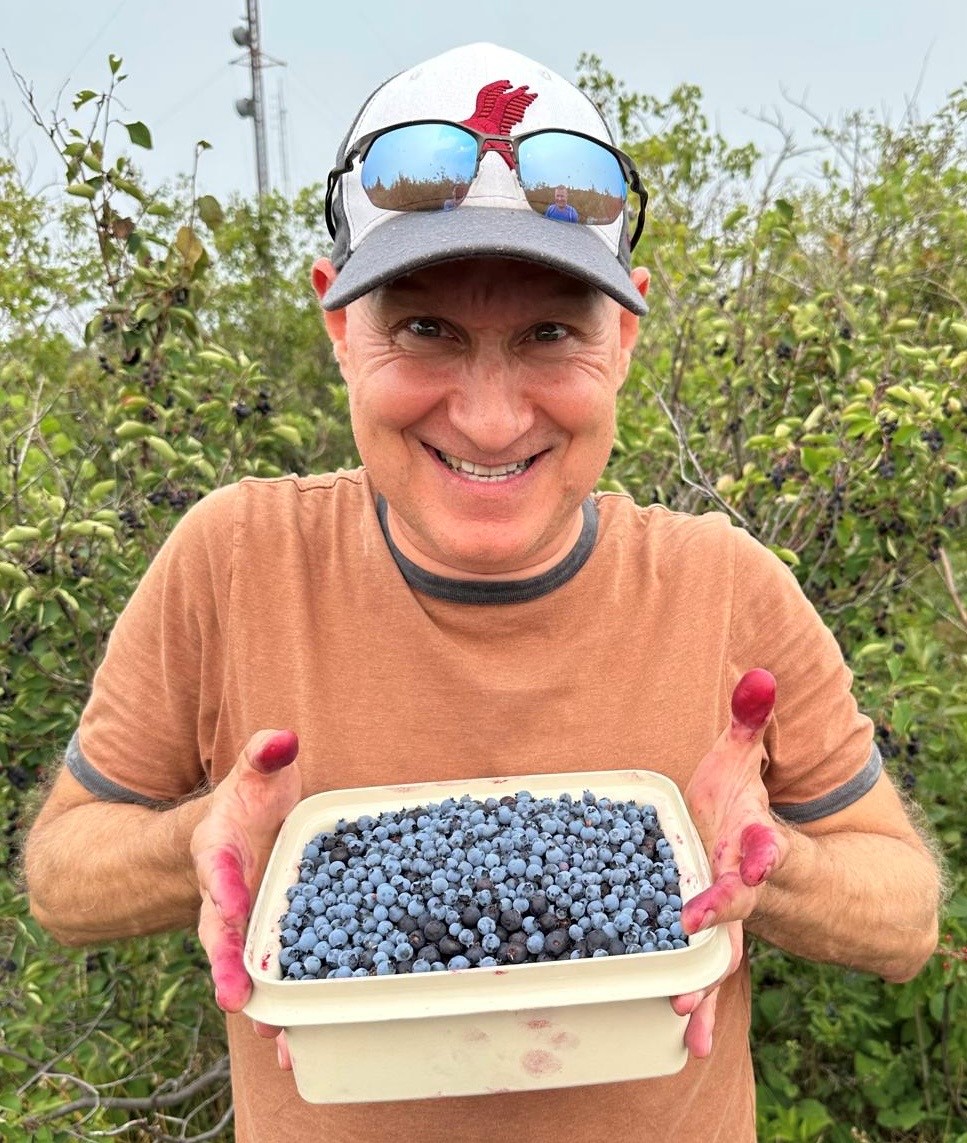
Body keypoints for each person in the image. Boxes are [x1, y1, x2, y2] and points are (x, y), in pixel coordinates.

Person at [25, 41, 940, 1143]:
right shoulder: (234, 562)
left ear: (626, 335)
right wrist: (199, 844)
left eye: (550, 333)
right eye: (426, 331)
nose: (493, 418)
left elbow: (906, 918)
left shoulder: (722, 585)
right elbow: (62, 879)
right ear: (336, 324)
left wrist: (763, 870)